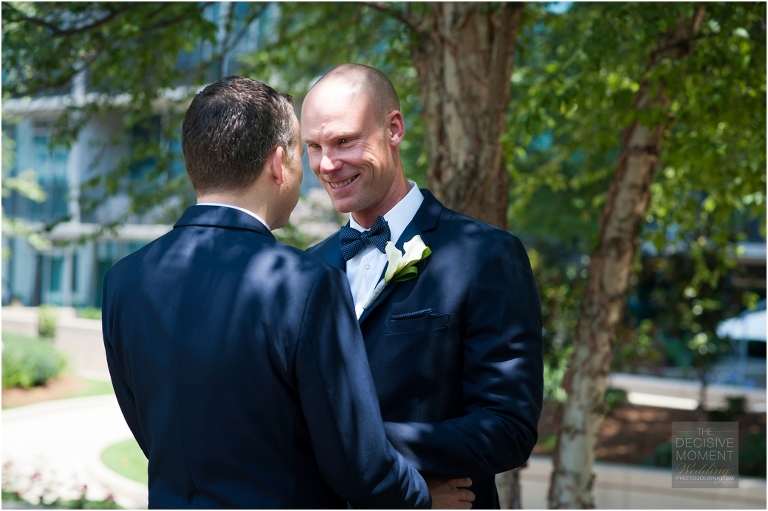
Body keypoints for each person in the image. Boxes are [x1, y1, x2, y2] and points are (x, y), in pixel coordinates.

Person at [102, 76, 472, 509]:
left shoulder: (124, 280)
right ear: (279, 163)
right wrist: (420, 497)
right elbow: (355, 460)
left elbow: (148, 429)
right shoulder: (303, 282)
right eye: (303, 152)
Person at [303, 64, 544, 509]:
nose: (327, 165)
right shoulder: (303, 269)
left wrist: (357, 447)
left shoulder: (486, 255)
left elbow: (508, 427)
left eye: (343, 141)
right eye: (313, 147)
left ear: (393, 129)